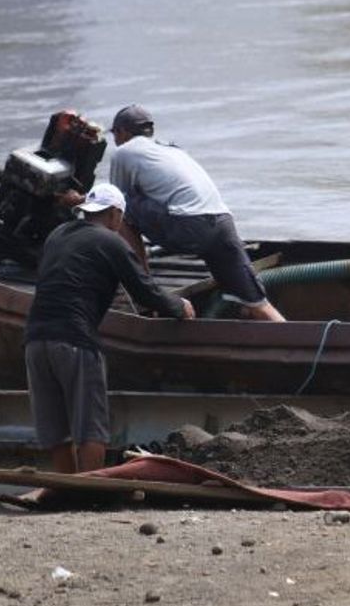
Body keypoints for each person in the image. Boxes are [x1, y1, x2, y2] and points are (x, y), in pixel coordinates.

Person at [24, 183, 195, 473]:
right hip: (75, 339)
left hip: (35, 340)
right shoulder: (111, 242)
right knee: (91, 427)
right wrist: (180, 307)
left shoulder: (57, 235)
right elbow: (146, 293)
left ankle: (62, 491)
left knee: (56, 430)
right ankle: (88, 494)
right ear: (115, 214)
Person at [107, 104, 286, 322]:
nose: (115, 140)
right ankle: (293, 339)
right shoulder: (173, 150)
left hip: (190, 227)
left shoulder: (124, 152)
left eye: (115, 134)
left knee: (121, 205)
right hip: (222, 223)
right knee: (257, 303)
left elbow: (114, 206)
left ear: (122, 132)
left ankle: (143, 282)